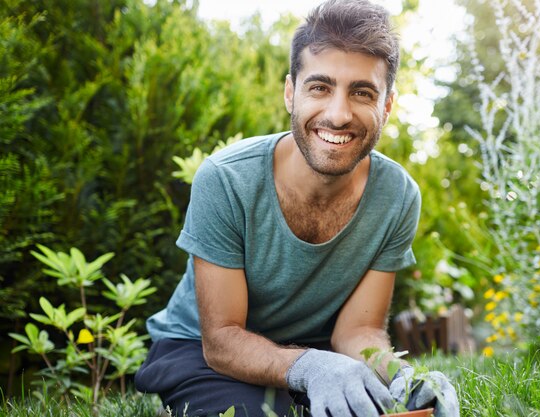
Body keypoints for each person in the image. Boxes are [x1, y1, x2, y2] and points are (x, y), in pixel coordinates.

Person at [135, 1, 460, 416]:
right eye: (319, 87)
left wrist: (398, 374)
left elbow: (359, 331)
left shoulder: (397, 196)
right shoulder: (226, 179)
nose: (339, 114)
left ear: (388, 106)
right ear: (291, 93)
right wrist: (310, 367)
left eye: (362, 93)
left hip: (317, 355)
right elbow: (221, 340)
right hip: (200, 351)